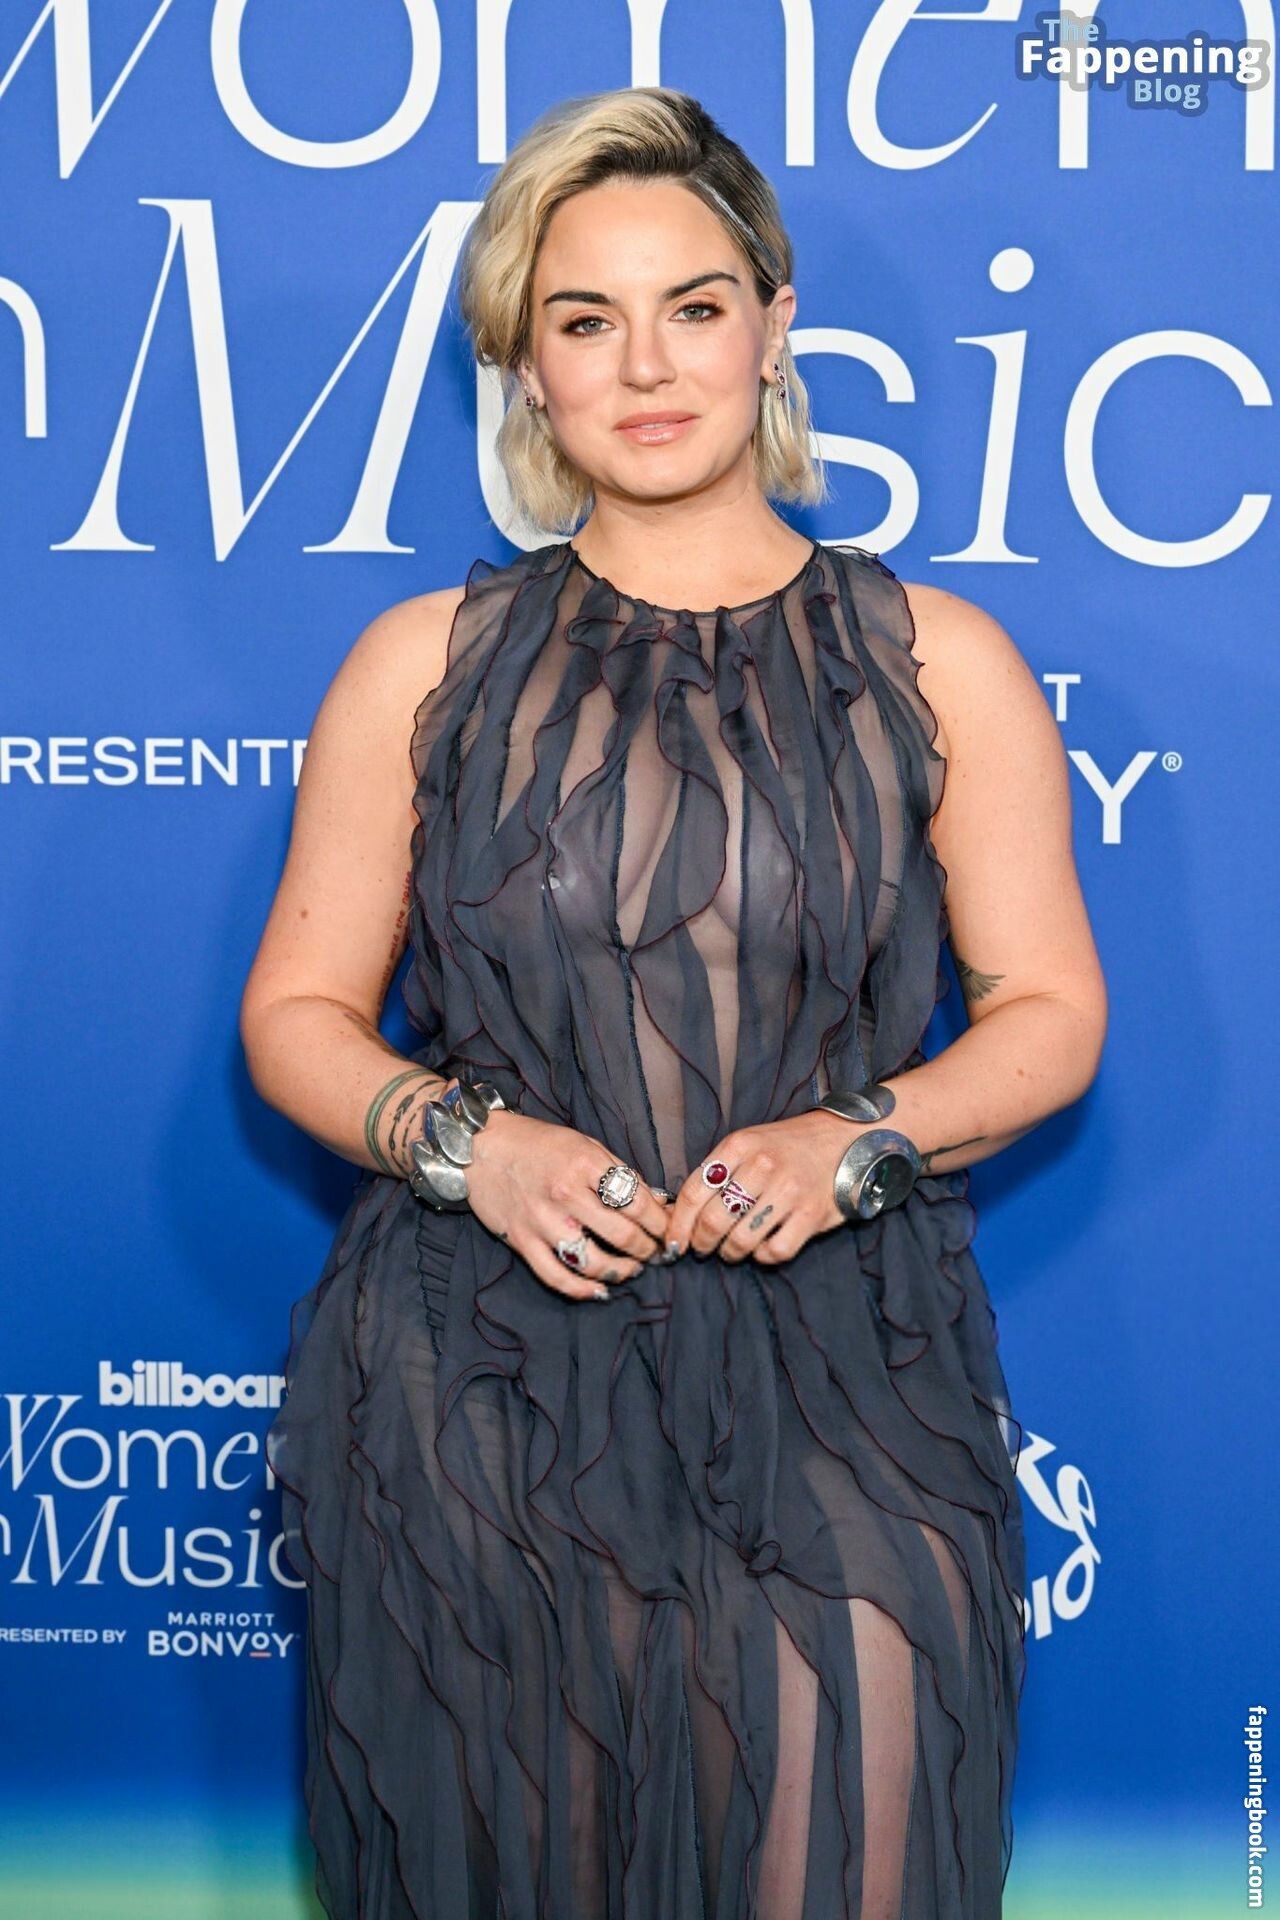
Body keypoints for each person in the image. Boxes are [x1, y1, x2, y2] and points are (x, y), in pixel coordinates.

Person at [242, 85, 1106, 1920]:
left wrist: (853, 1137)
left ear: (774, 325)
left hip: (847, 1367)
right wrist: (475, 1149)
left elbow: (1048, 1009)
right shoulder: (421, 668)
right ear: (525, 369)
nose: (646, 365)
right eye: (586, 319)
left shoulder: (944, 662)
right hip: (484, 1379)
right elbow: (298, 1014)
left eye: (694, 307)